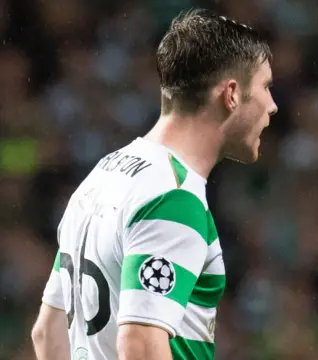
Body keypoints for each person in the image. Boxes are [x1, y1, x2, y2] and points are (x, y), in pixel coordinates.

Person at [30, 9, 277, 360]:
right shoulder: (173, 197)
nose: (273, 105)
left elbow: (48, 333)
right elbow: (141, 344)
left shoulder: (102, 176)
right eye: (266, 87)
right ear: (232, 94)